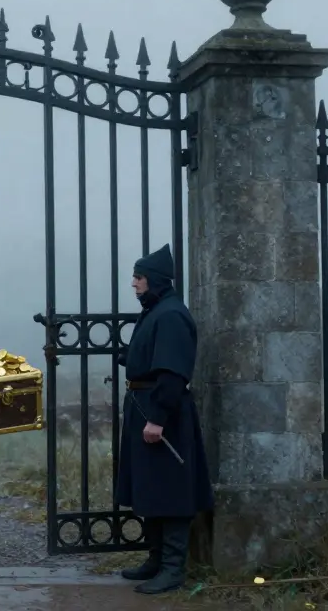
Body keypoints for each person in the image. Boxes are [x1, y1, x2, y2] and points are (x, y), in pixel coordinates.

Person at [114, 243, 214, 595]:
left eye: (138, 278)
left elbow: (172, 374)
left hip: (163, 413)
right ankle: (156, 560)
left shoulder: (171, 315)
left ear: (153, 280)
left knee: (170, 491)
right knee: (151, 488)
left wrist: (157, 419)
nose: (134, 284)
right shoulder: (157, 311)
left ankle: (173, 569)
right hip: (147, 406)